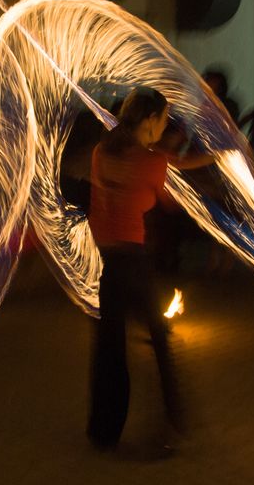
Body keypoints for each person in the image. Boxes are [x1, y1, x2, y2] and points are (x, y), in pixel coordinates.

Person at [85, 86, 213, 456]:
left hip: (108, 261)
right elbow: (167, 198)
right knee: (158, 341)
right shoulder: (150, 162)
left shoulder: (102, 151)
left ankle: (103, 431)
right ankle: (169, 426)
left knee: (109, 347)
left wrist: (207, 159)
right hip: (133, 260)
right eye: (164, 117)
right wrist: (207, 192)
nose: (166, 124)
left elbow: (164, 161)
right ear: (150, 120)